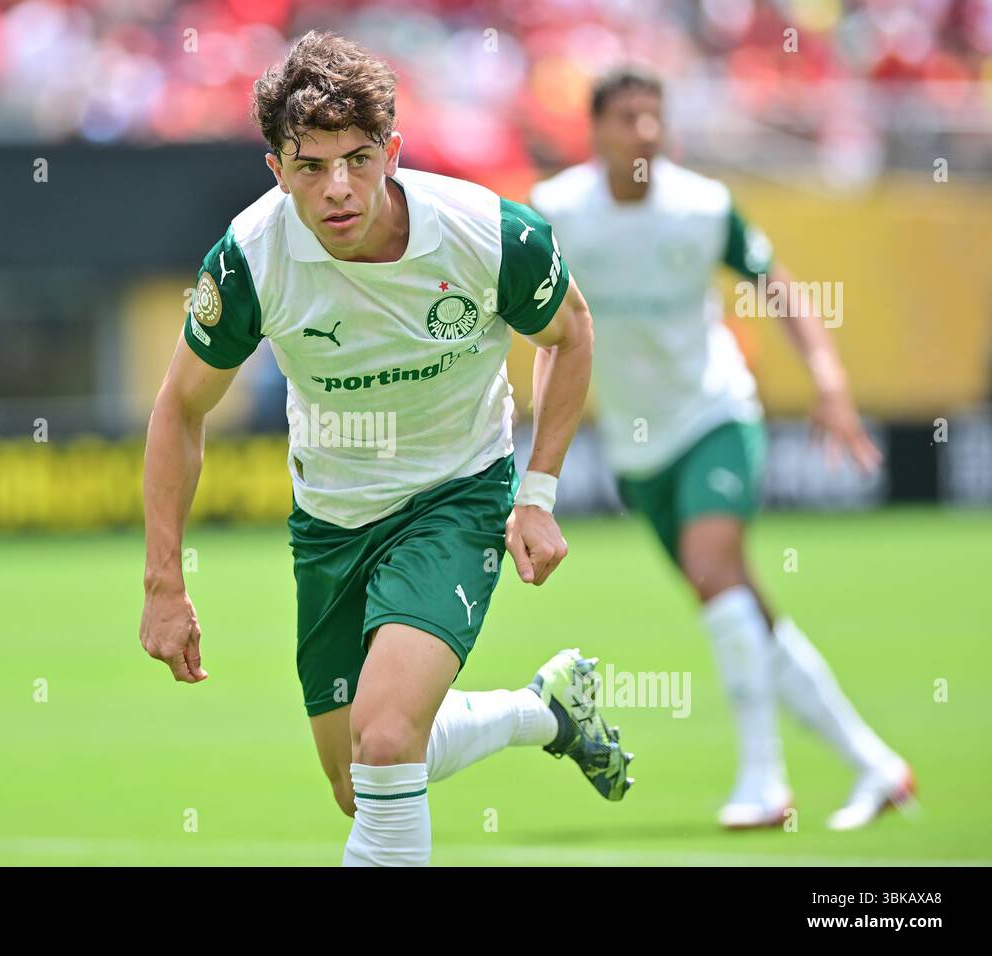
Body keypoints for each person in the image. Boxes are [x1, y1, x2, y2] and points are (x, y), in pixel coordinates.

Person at [139, 32, 632, 867]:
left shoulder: (486, 235)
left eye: (359, 160)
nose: (337, 189)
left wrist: (537, 493)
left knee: (388, 738)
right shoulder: (252, 259)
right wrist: (163, 584)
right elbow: (179, 409)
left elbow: (570, 332)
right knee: (356, 780)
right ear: (275, 168)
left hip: (456, 497)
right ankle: (544, 711)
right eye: (310, 166)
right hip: (331, 520)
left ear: (393, 152)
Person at [530, 66, 913, 830]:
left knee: (714, 575)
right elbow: (547, 332)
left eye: (654, 115)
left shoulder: (703, 206)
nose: (644, 131)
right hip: (641, 452)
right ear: (596, 129)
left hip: (715, 415)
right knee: (738, 605)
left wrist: (830, 383)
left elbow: (781, 289)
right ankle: (876, 765)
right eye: (627, 117)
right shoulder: (555, 212)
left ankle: (764, 783)